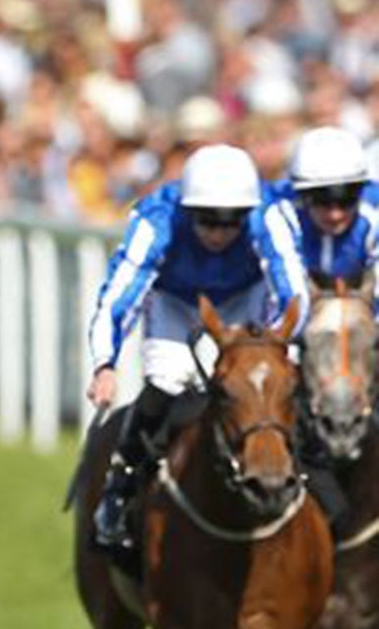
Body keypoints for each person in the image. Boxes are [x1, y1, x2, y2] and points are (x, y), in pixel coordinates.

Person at [88, 143, 310, 553]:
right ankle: (119, 490)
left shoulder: (269, 215)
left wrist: (280, 341)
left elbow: (293, 288)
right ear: (188, 211)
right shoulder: (156, 220)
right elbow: (118, 297)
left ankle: (313, 479)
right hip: (175, 302)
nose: (220, 232)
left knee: (271, 384)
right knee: (167, 383)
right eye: (208, 220)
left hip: (244, 299)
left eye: (232, 222)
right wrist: (105, 362)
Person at [261, 125, 379, 290]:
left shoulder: (375, 209)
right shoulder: (274, 207)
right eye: (321, 201)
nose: (335, 215)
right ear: (300, 194)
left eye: (347, 200)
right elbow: (288, 293)